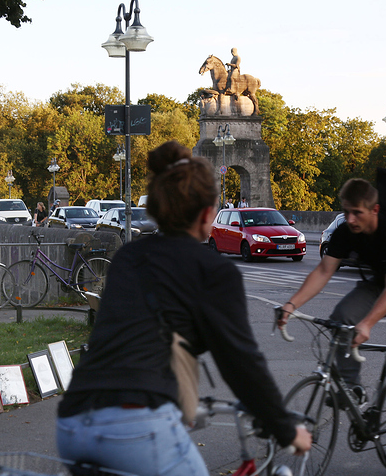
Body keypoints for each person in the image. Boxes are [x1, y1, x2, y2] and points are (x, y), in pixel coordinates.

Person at [56, 140, 311, 476]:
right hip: (135, 425)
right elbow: (240, 362)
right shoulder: (214, 271)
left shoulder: (128, 258)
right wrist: (286, 429)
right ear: (208, 214)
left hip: (73, 420)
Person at [277, 178, 386, 470]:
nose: (350, 219)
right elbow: (324, 269)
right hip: (379, 285)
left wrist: (366, 325)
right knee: (340, 319)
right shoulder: (346, 230)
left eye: (357, 213)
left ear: (375, 209)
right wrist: (291, 305)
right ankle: (352, 388)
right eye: (346, 211)